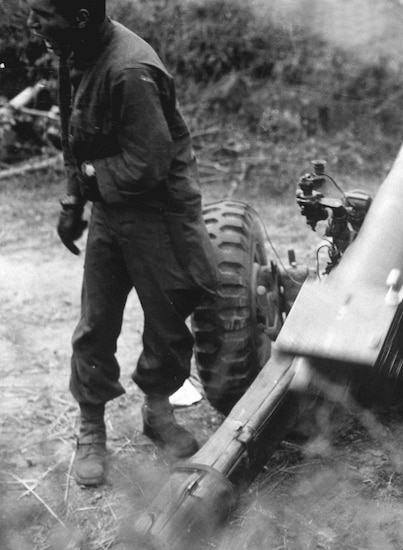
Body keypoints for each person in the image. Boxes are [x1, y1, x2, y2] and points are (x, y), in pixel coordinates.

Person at [27, 0, 218, 487]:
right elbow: (78, 135)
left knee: (168, 318)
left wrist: (90, 176)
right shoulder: (74, 47)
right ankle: (91, 426)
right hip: (114, 208)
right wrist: (74, 199)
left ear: (82, 17)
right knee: (97, 319)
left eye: (42, 14)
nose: (34, 23)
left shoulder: (131, 70)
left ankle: (158, 412)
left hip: (159, 212)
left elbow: (148, 165)